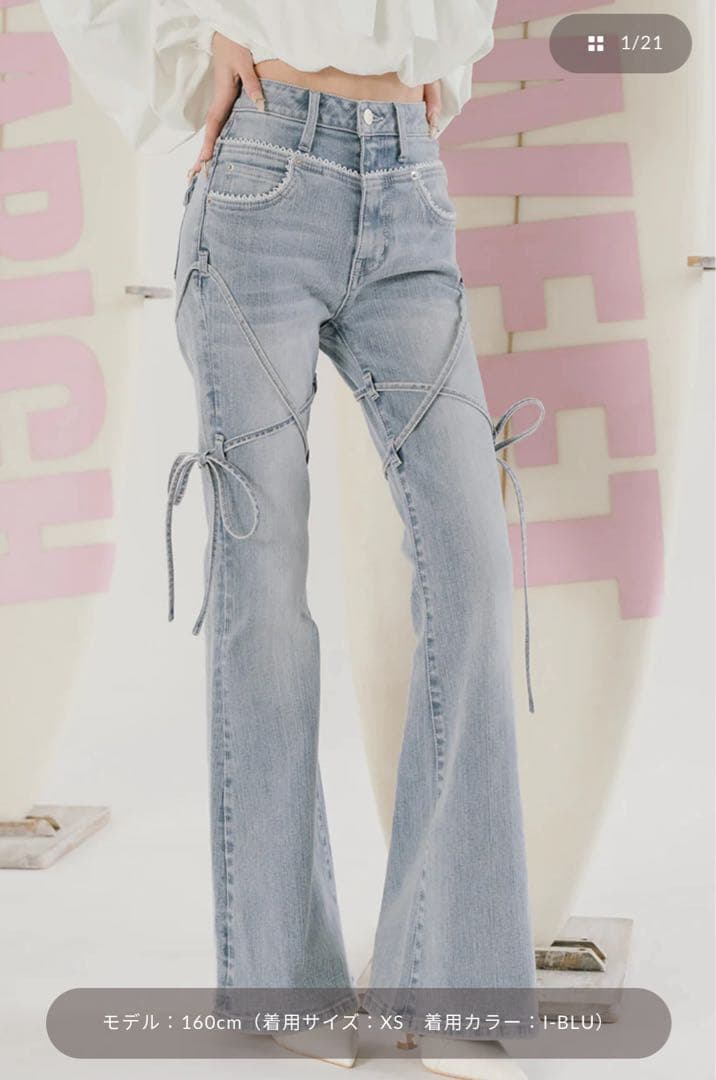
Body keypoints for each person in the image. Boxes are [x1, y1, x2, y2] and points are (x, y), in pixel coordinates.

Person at [40, 3, 546, 1077]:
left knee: (471, 566)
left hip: (410, 183)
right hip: (261, 177)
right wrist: (197, 47)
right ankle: (284, 978)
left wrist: (436, 67)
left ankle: (451, 979)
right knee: (263, 586)